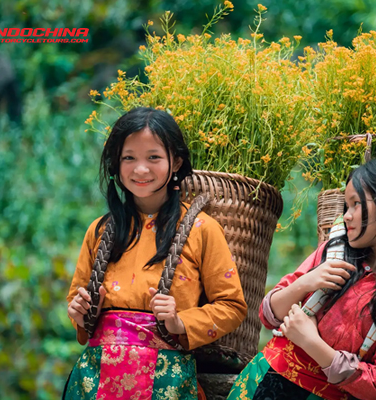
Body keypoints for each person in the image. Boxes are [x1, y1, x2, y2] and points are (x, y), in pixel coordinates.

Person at [63, 107, 247, 400]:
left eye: (153, 157)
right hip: (94, 380)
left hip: (166, 382)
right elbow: (77, 304)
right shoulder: (98, 231)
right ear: (115, 163)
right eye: (129, 157)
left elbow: (232, 305)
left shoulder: (202, 229)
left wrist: (179, 323)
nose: (140, 169)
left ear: (175, 162)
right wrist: (81, 312)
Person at [228, 156, 376, 400]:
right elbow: (268, 315)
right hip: (264, 376)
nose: (347, 216)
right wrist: (306, 282)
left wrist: (311, 342)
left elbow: (375, 384)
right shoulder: (332, 252)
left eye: (357, 204)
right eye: (347, 206)